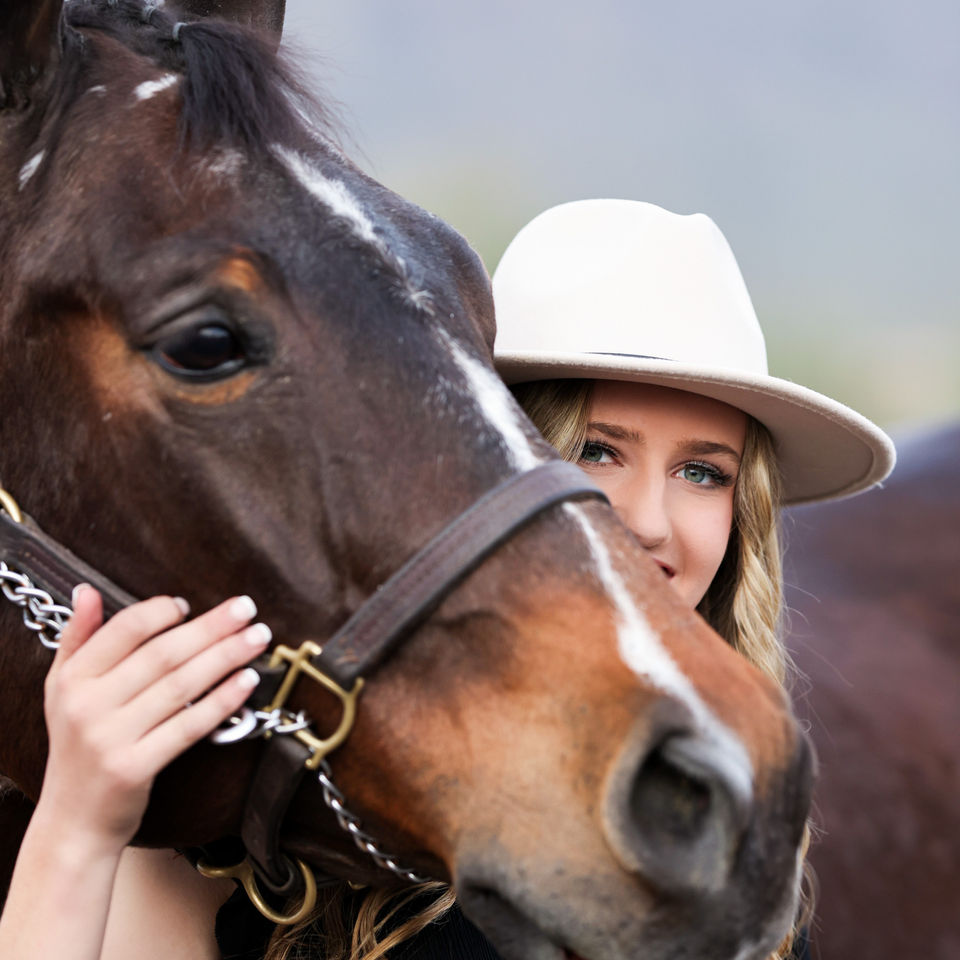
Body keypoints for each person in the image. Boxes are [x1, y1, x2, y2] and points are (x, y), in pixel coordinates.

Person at [0, 199, 895, 960]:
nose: (651, 520)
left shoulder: (725, 832)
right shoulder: (288, 835)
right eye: (594, 450)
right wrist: (82, 822)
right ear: (489, 468)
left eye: (704, 472)